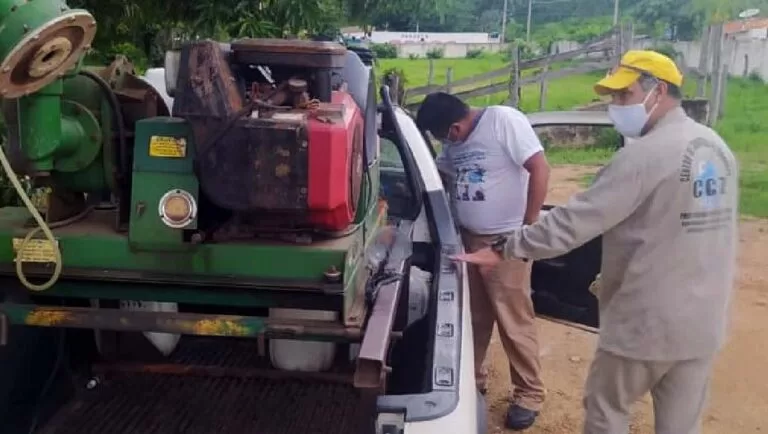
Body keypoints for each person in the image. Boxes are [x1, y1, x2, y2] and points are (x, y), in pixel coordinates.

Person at [452, 50, 739, 434]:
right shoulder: (716, 148)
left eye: (624, 94)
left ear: (659, 91)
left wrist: (505, 248)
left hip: (645, 322)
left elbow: (573, 223)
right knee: (681, 425)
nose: (615, 105)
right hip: (703, 322)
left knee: (606, 411)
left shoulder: (643, 157)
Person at [416, 92, 551, 430]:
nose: (446, 143)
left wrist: (527, 228)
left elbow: (539, 167)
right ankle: (472, 381)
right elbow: (439, 174)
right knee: (473, 317)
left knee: (513, 319)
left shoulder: (503, 121)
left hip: (506, 241)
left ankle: (529, 394)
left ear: (455, 128)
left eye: (444, 136)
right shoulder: (452, 145)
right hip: (468, 239)